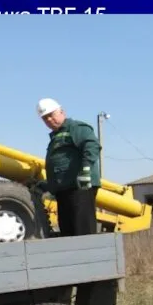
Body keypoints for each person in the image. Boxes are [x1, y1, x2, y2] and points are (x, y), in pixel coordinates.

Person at [35, 98, 101, 236]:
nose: (49, 120)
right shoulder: (55, 137)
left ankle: (87, 256)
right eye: (45, 118)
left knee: (82, 230)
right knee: (68, 231)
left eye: (51, 115)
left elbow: (92, 146)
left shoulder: (76, 128)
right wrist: (47, 185)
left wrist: (85, 170)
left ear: (62, 112)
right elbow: (61, 166)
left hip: (79, 188)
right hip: (64, 191)